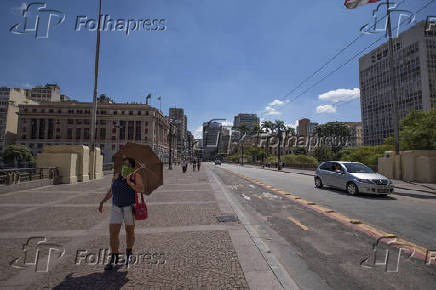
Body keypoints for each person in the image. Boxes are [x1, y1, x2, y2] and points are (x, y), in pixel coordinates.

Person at [99, 157, 144, 270]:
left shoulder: (135, 176)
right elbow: (111, 190)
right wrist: (103, 201)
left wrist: (130, 183)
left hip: (129, 207)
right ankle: (114, 256)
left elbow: (141, 189)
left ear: (132, 167)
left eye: (127, 165)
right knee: (113, 233)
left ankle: (129, 252)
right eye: (123, 164)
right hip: (116, 207)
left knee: (129, 231)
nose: (125, 166)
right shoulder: (116, 176)